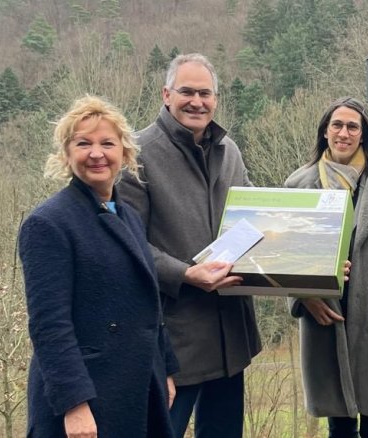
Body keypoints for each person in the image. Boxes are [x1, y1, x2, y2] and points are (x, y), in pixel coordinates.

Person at [118, 53, 261, 438]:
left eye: (205, 93)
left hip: (231, 332)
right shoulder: (137, 154)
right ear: (166, 94)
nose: (196, 101)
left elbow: (254, 222)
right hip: (174, 337)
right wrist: (184, 274)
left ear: (216, 99)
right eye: (186, 92)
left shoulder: (229, 150)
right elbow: (127, 243)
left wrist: (309, 274)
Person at [19, 95, 178, 437]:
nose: (96, 153)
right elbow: (50, 326)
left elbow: (149, 304)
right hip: (86, 398)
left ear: (124, 153)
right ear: (66, 154)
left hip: (139, 385)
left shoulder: (130, 217)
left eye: (107, 143)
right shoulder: (48, 223)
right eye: (83, 143)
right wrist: (74, 404)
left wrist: (164, 368)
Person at [283, 97, 368, 438]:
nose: (344, 132)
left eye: (352, 126)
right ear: (325, 132)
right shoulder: (298, 185)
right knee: (338, 425)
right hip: (324, 313)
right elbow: (282, 256)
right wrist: (304, 297)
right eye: (337, 125)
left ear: (363, 134)